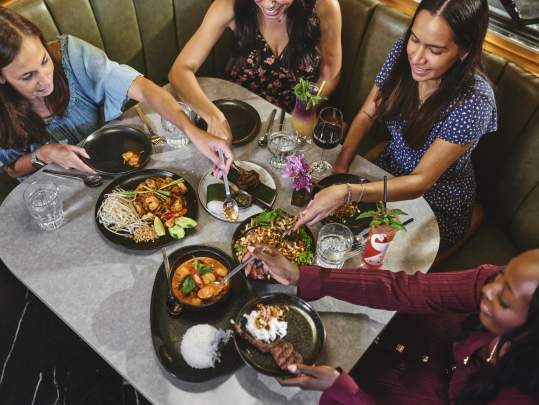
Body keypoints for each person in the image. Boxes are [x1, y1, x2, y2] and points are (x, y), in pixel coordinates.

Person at [295, 0, 496, 253]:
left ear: (464, 50)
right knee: (322, 231)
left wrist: (347, 192)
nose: (417, 57)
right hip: (388, 167)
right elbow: (369, 111)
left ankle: (471, 219)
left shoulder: (475, 101)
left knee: (372, 257)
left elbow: (420, 182)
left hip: (436, 199)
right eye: (415, 39)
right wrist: (341, 165)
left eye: (435, 50)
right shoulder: (405, 51)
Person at [244, 245, 539, 404]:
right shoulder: (490, 283)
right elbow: (404, 289)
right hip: (404, 346)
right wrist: (301, 275)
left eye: (505, 298)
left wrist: (345, 389)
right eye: (503, 274)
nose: (488, 289)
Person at [0, 7, 233, 180]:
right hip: (58, 190)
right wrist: (43, 154)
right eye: (27, 76)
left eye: (44, 61)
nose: (45, 79)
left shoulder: (70, 55)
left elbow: (145, 88)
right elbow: (11, 169)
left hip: (111, 166)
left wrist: (192, 131)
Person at [169, 0, 342, 142]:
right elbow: (180, 70)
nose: (268, 4)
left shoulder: (324, 6)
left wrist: (303, 110)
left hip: (294, 125)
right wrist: (213, 116)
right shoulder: (230, 4)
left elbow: (330, 75)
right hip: (239, 120)